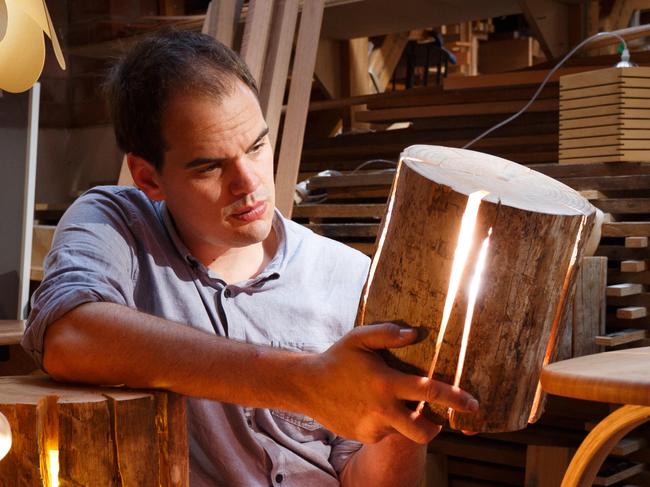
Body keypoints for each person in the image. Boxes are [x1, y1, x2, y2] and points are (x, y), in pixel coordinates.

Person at [22, 30, 478, 486]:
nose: (248, 182)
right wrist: (306, 381)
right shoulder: (116, 226)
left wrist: (402, 417)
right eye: (209, 166)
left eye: (257, 147)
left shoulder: (349, 277)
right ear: (148, 177)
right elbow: (68, 335)